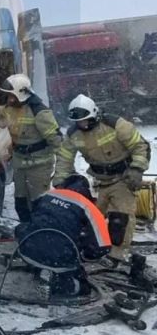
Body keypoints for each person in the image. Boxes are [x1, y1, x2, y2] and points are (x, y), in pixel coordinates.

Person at [53, 94, 151, 267]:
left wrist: (136, 169)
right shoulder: (73, 134)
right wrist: (60, 182)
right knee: (91, 217)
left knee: (120, 218)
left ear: (94, 115)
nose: (83, 125)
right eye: (79, 122)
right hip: (97, 180)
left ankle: (117, 255)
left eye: (86, 121)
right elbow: (64, 158)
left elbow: (140, 146)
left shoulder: (115, 125)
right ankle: (92, 247)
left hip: (123, 178)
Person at [14, 174, 111, 297]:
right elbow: (103, 247)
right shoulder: (89, 207)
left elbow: (30, 219)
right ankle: (61, 285)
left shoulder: (47, 194)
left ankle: (38, 267)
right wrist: (83, 255)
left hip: (27, 250)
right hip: (60, 258)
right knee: (84, 288)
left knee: (29, 231)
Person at [0, 73, 63, 222]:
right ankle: (27, 231)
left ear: (20, 94)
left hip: (39, 164)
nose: (9, 99)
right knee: (21, 203)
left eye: (11, 96)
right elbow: (0, 122)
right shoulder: (9, 109)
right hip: (20, 163)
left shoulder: (39, 112)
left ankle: (42, 232)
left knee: (39, 203)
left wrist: (62, 170)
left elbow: (57, 141)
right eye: (7, 96)